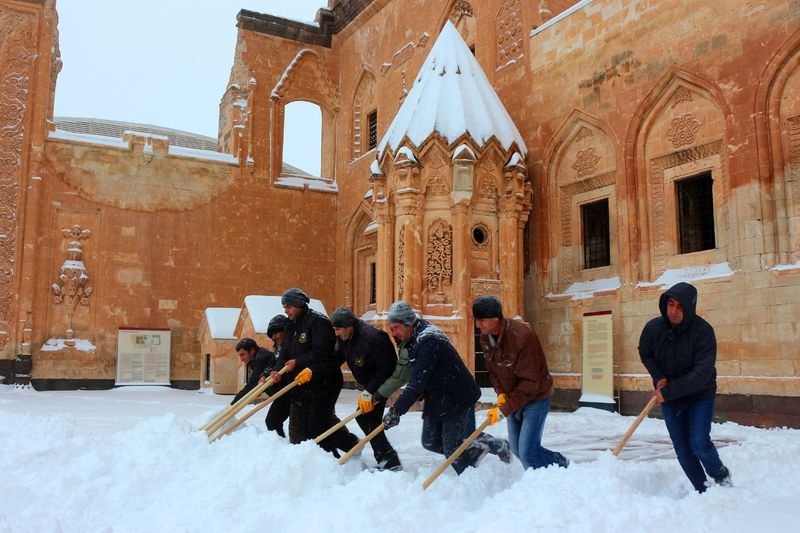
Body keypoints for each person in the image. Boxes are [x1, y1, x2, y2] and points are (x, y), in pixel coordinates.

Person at [381, 301, 510, 474]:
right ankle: (474, 451)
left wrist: (397, 410)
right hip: (438, 396)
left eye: (395, 328)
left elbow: (418, 381)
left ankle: (469, 481)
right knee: (430, 441)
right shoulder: (411, 338)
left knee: (454, 447)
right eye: (391, 328)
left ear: (408, 324)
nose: (393, 333)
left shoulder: (427, 340)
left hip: (456, 396)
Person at [639, 281, 731, 493]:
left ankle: (720, 475)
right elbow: (646, 353)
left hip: (700, 395)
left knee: (698, 442)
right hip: (670, 398)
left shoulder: (703, 332)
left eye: (680, 307)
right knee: (683, 450)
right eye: (671, 304)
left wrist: (667, 392)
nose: (674, 311)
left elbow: (701, 373)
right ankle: (703, 491)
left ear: (690, 308)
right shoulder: (653, 328)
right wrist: (659, 376)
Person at [472, 295, 569, 470]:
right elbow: (493, 371)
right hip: (513, 398)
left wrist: (503, 410)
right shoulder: (486, 337)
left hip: (536, 398)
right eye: (476, 320)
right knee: (518, 450)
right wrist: (501, 392)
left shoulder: (522, 336)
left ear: (495, 318)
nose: (478, 325)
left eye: (481, 320)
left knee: (527, 453)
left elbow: (531, 382)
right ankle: (559, 463)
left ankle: (552, 476)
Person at [269, 288, 359, 457]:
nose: (285, 311)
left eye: (288, 306)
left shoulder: (317, 322)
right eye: (284, 307)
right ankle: (300, 459)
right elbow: (285, 352)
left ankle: (339, 451)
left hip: (322, 380)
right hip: (300, 381)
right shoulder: (290, 325)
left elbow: (322, 352)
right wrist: (277, 370)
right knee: (297, 425)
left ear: (299, 305)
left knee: (317, 423)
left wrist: (298, 362)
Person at [331, 306, 402, 471]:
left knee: (365, 418)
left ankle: (389, 461)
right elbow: (338, 356)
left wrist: (369, 392)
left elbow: (387, 368)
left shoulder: (372, 338)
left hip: (382, 383)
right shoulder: (345, 337)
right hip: (368, 384)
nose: (336, 333)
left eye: (338, 329)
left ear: (349, 326)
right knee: (367, 419)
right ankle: (388, 459)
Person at [258, 314, 292, 438]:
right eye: (271, 335)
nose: (274, 337)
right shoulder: (278, 347)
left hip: (294, 390)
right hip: (283, 392)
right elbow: (273, 363)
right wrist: (264, 375)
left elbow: (282, 364)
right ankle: (279, 447)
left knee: (307, 429)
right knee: (272, 421)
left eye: (276, 333)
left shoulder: (292, 344)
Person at [231, 338, 276, 405]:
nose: (241, 359)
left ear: (252, 350)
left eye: (242, 355)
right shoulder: (257, 358)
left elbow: (253, 383)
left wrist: (234, 403)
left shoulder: (262, 358)